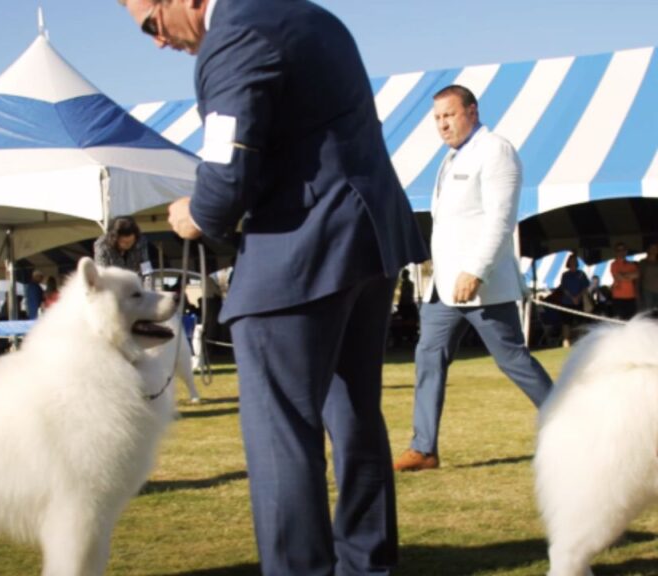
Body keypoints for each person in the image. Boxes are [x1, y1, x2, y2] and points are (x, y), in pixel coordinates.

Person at [119, 1, 428, 573]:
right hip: (369, 236)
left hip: (301, 250)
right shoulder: (308, 16)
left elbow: (226, 175)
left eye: (150, 23)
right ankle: (367, 564)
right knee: (356, 414)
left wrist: (196, 212)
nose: (157, 42)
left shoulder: (233, 36)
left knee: (279, 429)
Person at [393, 85, 554, 473]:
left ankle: (581, 429)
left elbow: (500, 219)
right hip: (443, 289)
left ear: (472, 111)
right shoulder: (450, 159)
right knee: (427, 359)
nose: (442, 124)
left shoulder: (496, 150)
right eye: (437, 118)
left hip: (481, 285)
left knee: (514, 361)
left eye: (449, 115)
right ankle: (423, 449)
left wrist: (476, 271)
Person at [558, 254, 589, 347]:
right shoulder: (565, 275)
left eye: (575, 261)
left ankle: (581, 341)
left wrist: (578, 297)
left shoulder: (581, 274)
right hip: (567, 302)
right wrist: (572, 297)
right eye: (571, 261)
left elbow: (585, 287)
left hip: (579, 302)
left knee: (580, 322)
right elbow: (564, 288)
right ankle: (566, 341)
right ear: (568, 262)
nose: (573, 262)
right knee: (566, 323)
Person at [609, 242, 639, 321]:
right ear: (616, 252)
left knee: (631, 321)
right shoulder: (613, 264)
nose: (621, 252)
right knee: (619, 321)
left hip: (631, 297)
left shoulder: (632, 265)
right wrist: (629, 275)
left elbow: (637, 275)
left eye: (623, 250)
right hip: (618, 297)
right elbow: (618, 277)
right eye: (619, 250)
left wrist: (623, 275)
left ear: (626, 251)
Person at [639, 242, 658, 312]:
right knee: (649, 311)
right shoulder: (643, 262)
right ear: (648, 250)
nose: (654, 250)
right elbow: (639, 276)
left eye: (656, 248)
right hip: (647, 290)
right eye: (652, 248)